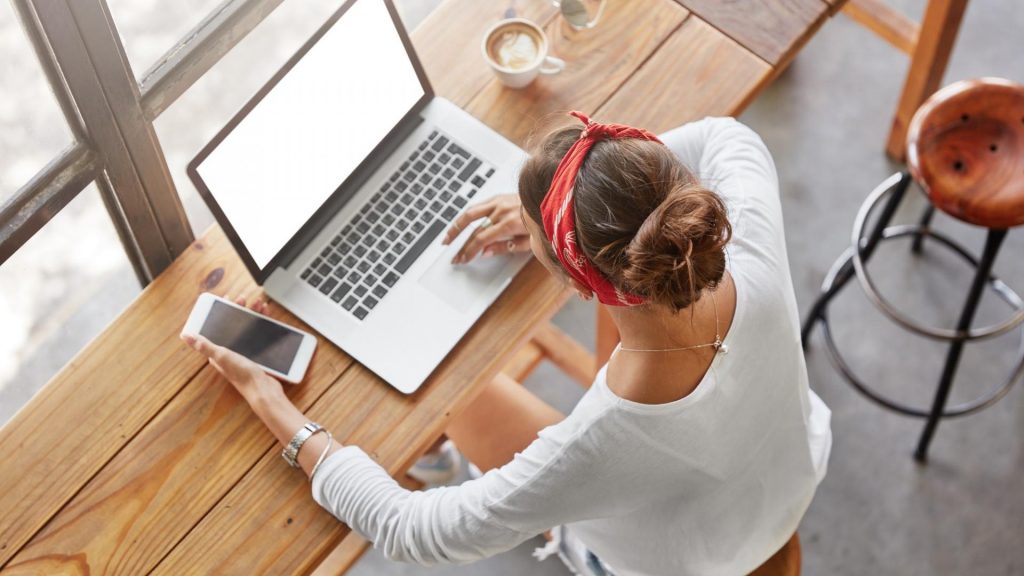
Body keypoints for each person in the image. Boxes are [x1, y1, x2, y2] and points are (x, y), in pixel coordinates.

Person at [182, 112, 832, 576]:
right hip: (777, 487)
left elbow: (414, 532)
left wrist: (273, 406)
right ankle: (439, 459)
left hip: (677, 562)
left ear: (579, 280)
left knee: (438, 392)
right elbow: (728, 135)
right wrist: (587, 216)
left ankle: (438, 463)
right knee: (453, 393)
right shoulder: (749, 248)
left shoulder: (603, 441)